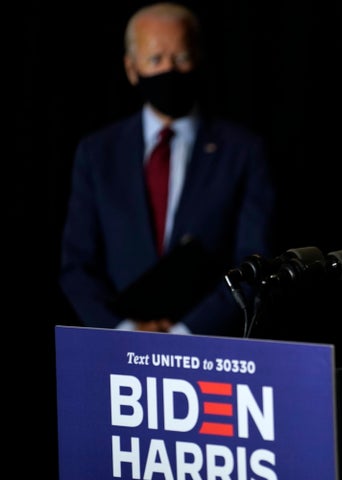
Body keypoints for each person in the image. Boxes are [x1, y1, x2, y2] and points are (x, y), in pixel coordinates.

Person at [59, 2, 276, 336]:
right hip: (117, 347)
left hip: (210, 343)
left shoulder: (243, 150)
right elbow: (77, 263)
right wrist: (125, 329)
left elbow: (254, 259)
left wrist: (185, 332)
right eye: (155, 60)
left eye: (181, 58)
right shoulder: (97, 152)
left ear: (199, 60)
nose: (169, 70)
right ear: (132, 69)